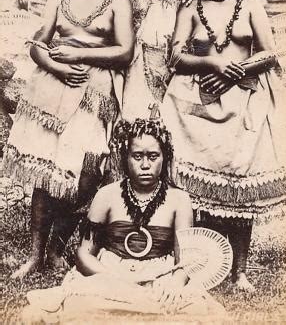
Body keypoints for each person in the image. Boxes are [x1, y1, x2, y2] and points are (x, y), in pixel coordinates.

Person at [162, 0, 286, 291]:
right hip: (196, 103)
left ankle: (239, 271)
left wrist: (235, 72)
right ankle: (199, 264)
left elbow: (268, 53)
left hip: (243, 102)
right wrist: (213, 66)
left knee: (239, 186)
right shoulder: (191, 9)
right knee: (196, 187)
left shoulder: (252, 6)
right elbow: (175, 55)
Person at [3, 0, 135, 278]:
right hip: (51, 88)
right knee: (46, 175)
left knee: (87, 176)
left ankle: (60, 248)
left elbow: (124, 51)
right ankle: (35, 255)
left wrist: (78, 55)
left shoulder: (117, 0)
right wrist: (59, 67)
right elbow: (38, 44)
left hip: (94, 92)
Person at [22, 118, 225, 322]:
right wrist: (114, 278)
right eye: (137, 156)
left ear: (165, 157)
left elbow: (184, 262)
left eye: (153, 156)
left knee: (193, 309)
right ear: (125, 158)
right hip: (110, 275)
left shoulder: (179, 200)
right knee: (80, 306)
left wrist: (174, 283)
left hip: (159, 277)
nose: (145, 165)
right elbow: (84, 254)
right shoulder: (106, 195)